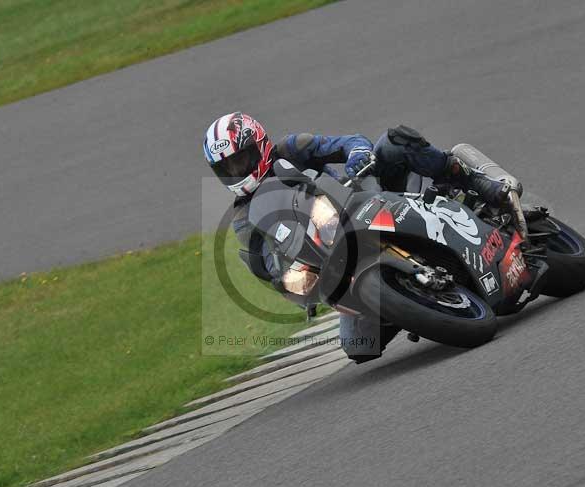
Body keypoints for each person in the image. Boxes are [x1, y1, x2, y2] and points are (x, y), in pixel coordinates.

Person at [203, 112, 510, 363]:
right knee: (359, 346)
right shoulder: (244, 220)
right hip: (334, 260)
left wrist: (358, 154)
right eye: (226, 168)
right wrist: (284, 277)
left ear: (259, 145)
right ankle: (415, 301)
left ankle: (476, 182)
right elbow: (270, 262)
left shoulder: (292, 149)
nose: (236, 171)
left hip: (363, 200)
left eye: (240, 160)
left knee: (393, 143)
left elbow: (347, 143)